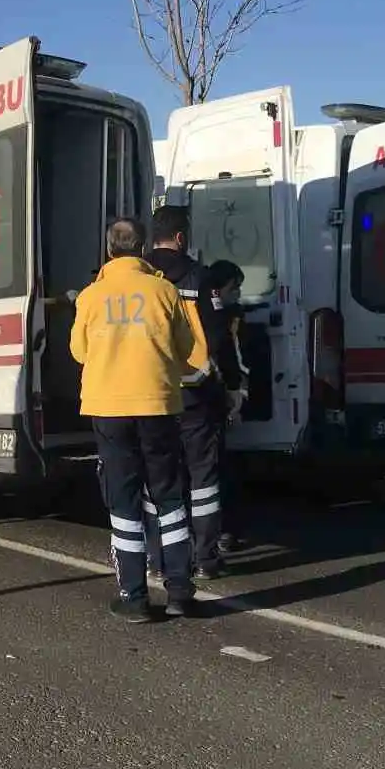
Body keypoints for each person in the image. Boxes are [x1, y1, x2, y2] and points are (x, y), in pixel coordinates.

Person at [71, 218, 207, 622]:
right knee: (168, 496)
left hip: (109, 409)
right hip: (158, 406)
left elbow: (79, 351)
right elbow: (186, 349)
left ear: (109, 249)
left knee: (124, 501)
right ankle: (180, 590)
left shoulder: (91, 298)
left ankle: (134, 596)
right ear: (142, 247)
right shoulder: (164, 291)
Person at [144, 206, 236, 579]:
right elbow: (217, 338)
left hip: (152, 393)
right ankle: (206, 559)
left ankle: (158, 559)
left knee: (159, 481)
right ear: (181, 238)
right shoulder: (200, 278)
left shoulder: (142, 276)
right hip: (196, 395)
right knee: (203, 481)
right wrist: (233, 384)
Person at [203, 259, 251, 552]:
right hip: (215, 397)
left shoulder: (212, 313)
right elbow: (234, 361)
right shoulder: (223, 319)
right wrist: (238, 395)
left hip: (197, 399)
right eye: (235, 288)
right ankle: (222, 532)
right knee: (218, 470)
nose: (238, 294)